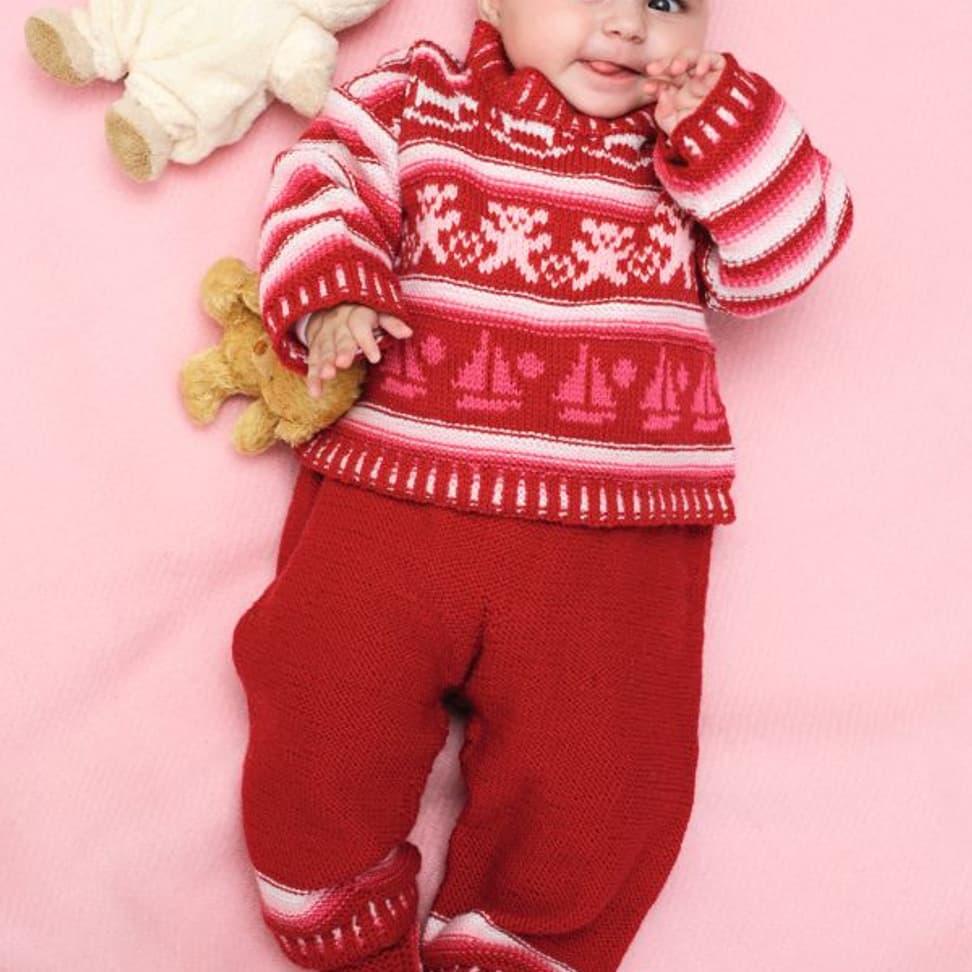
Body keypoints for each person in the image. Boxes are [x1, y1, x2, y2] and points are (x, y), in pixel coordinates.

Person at [232, 0, 854, 969]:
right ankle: (330, 894)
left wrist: (727, 132)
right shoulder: (417, 100)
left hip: (614, 545)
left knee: (605, 776)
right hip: (396, 499)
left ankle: (522, 942)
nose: (626, 25)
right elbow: (320, 180)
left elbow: (789, 256)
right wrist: (336, 292)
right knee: (320, 691)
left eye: (666, 2)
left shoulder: (689, 147)